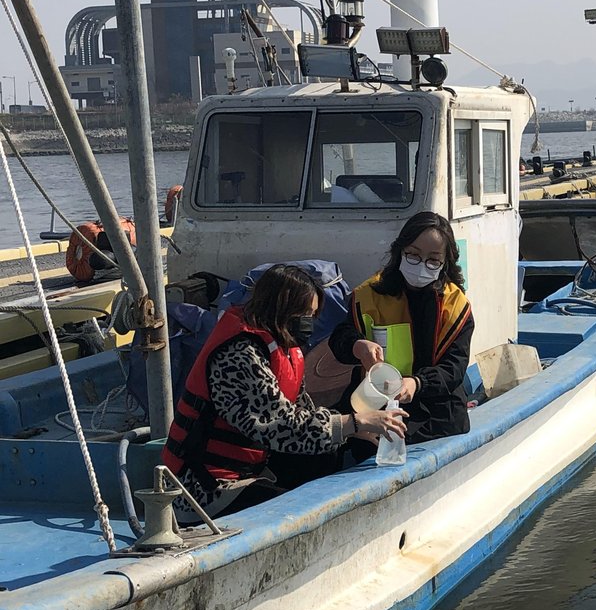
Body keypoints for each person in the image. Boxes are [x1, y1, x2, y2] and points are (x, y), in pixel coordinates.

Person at [162, 264, 407, 520]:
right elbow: (279, 425)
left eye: (312, 316)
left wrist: (352, 430)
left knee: (325, 455)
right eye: (303, 315)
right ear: (280, 308)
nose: (308, 324)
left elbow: (302, 413)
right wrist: (353, 422)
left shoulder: (285, 350)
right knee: (302, 514)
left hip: (249, 471)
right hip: (203, 487)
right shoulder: (240, 354)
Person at [328, 211, 473, 456]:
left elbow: (455, 368)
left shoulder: (456, 307)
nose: (421, 264)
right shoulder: (368, 295)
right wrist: (357, 345)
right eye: (413, 255)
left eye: (433, 259)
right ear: (400, 251)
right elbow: (339, 338)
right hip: (376, 399)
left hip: (435, 407)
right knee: (344, 437)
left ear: (445, 262)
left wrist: (418, 383)